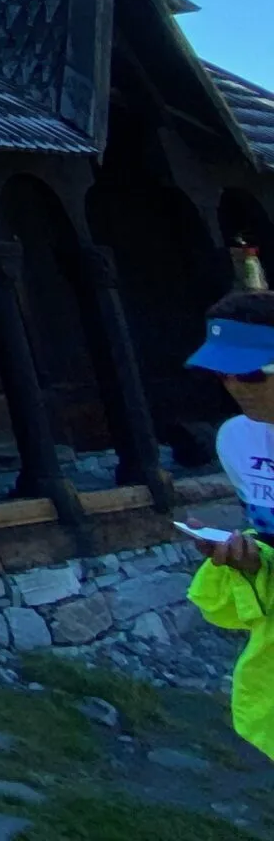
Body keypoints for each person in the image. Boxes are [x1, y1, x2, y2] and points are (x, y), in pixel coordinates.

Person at [185, 290, 274, 758]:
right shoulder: (236, 439)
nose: (234, 386)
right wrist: (246, 558)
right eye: (222, 372)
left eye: (250, 373)